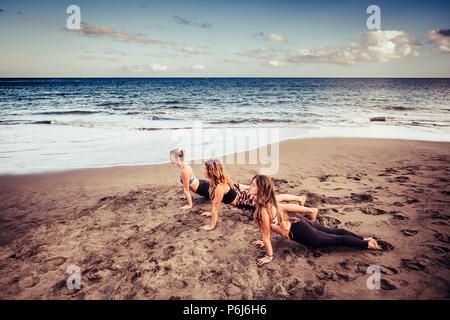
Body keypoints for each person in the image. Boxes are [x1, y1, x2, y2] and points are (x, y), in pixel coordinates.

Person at [250, 175, 382, 266]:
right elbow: (271, 225)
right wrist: (264, 241)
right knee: (336, 231)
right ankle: (364, 239)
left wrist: (269, 256)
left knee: (338, 239)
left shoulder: (262, 209)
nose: (250, 187)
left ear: (261, 190)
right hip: (298, 221)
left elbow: (266, 235)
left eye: (253, 185)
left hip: (302, 232)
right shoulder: (268, 201)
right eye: (251, 184)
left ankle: (368, 245)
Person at [199, 159, 319, 231]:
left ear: (211, 171)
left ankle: (310, 210)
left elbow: (215, 208)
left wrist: (211, 226)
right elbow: (235, 187)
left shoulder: (219, 187)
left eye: (205, 168)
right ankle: (300, 199)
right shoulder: (220, 181)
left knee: (278, 206)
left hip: (246, 201)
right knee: (276, 200)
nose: (204, 170)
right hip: (244, 197)